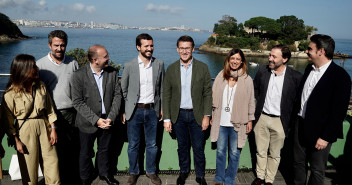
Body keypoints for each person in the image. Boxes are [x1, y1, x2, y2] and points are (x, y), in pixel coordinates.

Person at [293, 34, 351, 185]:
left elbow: (339, 112)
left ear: (321, 51)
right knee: (298, 163)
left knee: (317, 170)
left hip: (321, 131)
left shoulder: (341, 76)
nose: (306, 51)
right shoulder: (308, 68)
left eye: (310, 48)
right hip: (300, 124)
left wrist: (326, 137)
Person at [1, 54, 60, 185]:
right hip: (24, 130)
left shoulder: (41, 86)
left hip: (45, 126)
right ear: (23, 69)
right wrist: (16, 140)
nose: (37, 68)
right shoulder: (10, 94)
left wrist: (54, 129)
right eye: (33, 66)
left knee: (52, 164)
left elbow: (49, 109)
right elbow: (7, 121)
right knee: (29, 169)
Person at [163, 35, 212, 185]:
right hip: (178, 115)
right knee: (182, 147)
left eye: (188, 48)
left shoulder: (202, 68)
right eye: (182, 48)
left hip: (197, 115)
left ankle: (200, 175)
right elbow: (167, 95)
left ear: (193, 49)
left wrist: (207, 115)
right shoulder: (171, 69)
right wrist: (167, 118)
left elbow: (207, 93)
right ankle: (183, 172)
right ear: (178, 49)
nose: (185, 51)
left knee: (198, 148)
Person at [71, 45, 122, 185]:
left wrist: (111, 117)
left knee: (105, 150)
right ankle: (85, 178)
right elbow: (77, 102)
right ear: (95, 60)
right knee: (85, 152)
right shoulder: (79, 75)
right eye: (105, 56)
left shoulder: (112, 72)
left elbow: (117, 96)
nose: (108, 58)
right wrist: (96, 120)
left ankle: (104, 174)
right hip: (87, 122)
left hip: (108, 120)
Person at [251, 45, 302, 185]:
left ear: (284, 59)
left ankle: (269, 180)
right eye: (270, 55)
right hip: (261, 117)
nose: (270, 58)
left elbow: (297, 101)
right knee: (260, 151)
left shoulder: (296, 77)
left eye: (274, 56)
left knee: (275, 154)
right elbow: (255, 89)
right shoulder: (262, 70)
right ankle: (260, 176)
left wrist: (290, 122)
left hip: (280, 121)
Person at [36, 29, 80, 184]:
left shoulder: (73, 62)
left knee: (71, 149)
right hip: (50, 115)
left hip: (71, 113)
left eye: (62, 45)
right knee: (53, 152)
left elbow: (77, 87)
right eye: (56, 45)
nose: (59, 48)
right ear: (49, 45)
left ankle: (70, 179)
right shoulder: (40, 65)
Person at [121, 33, 164, 185]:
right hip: (134, 111)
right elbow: (124, 89)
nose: (149, 48)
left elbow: (161, 89)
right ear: (138, 47)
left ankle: (151, 172)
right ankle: (133, 172)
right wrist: (126, 109)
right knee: (133, 144)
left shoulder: (159, 64)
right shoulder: (129, 65)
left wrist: (161, 108)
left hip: (153, 110)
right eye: (146, 46)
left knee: (152, 144)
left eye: (151, 45)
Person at [211, 48, 255, 185]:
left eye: (237, 59)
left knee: (235, 154)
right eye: (232, 58)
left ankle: (230, 181)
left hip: (238, 123)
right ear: (228, 60)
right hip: (221, 122)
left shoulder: (247, 79)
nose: (235, 61)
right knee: (220, 152)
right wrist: (212, 115)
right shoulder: (220, 76)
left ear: (242, 61)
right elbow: (213, 98)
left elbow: (251, 101)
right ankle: (219, 179)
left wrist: (250, 119)